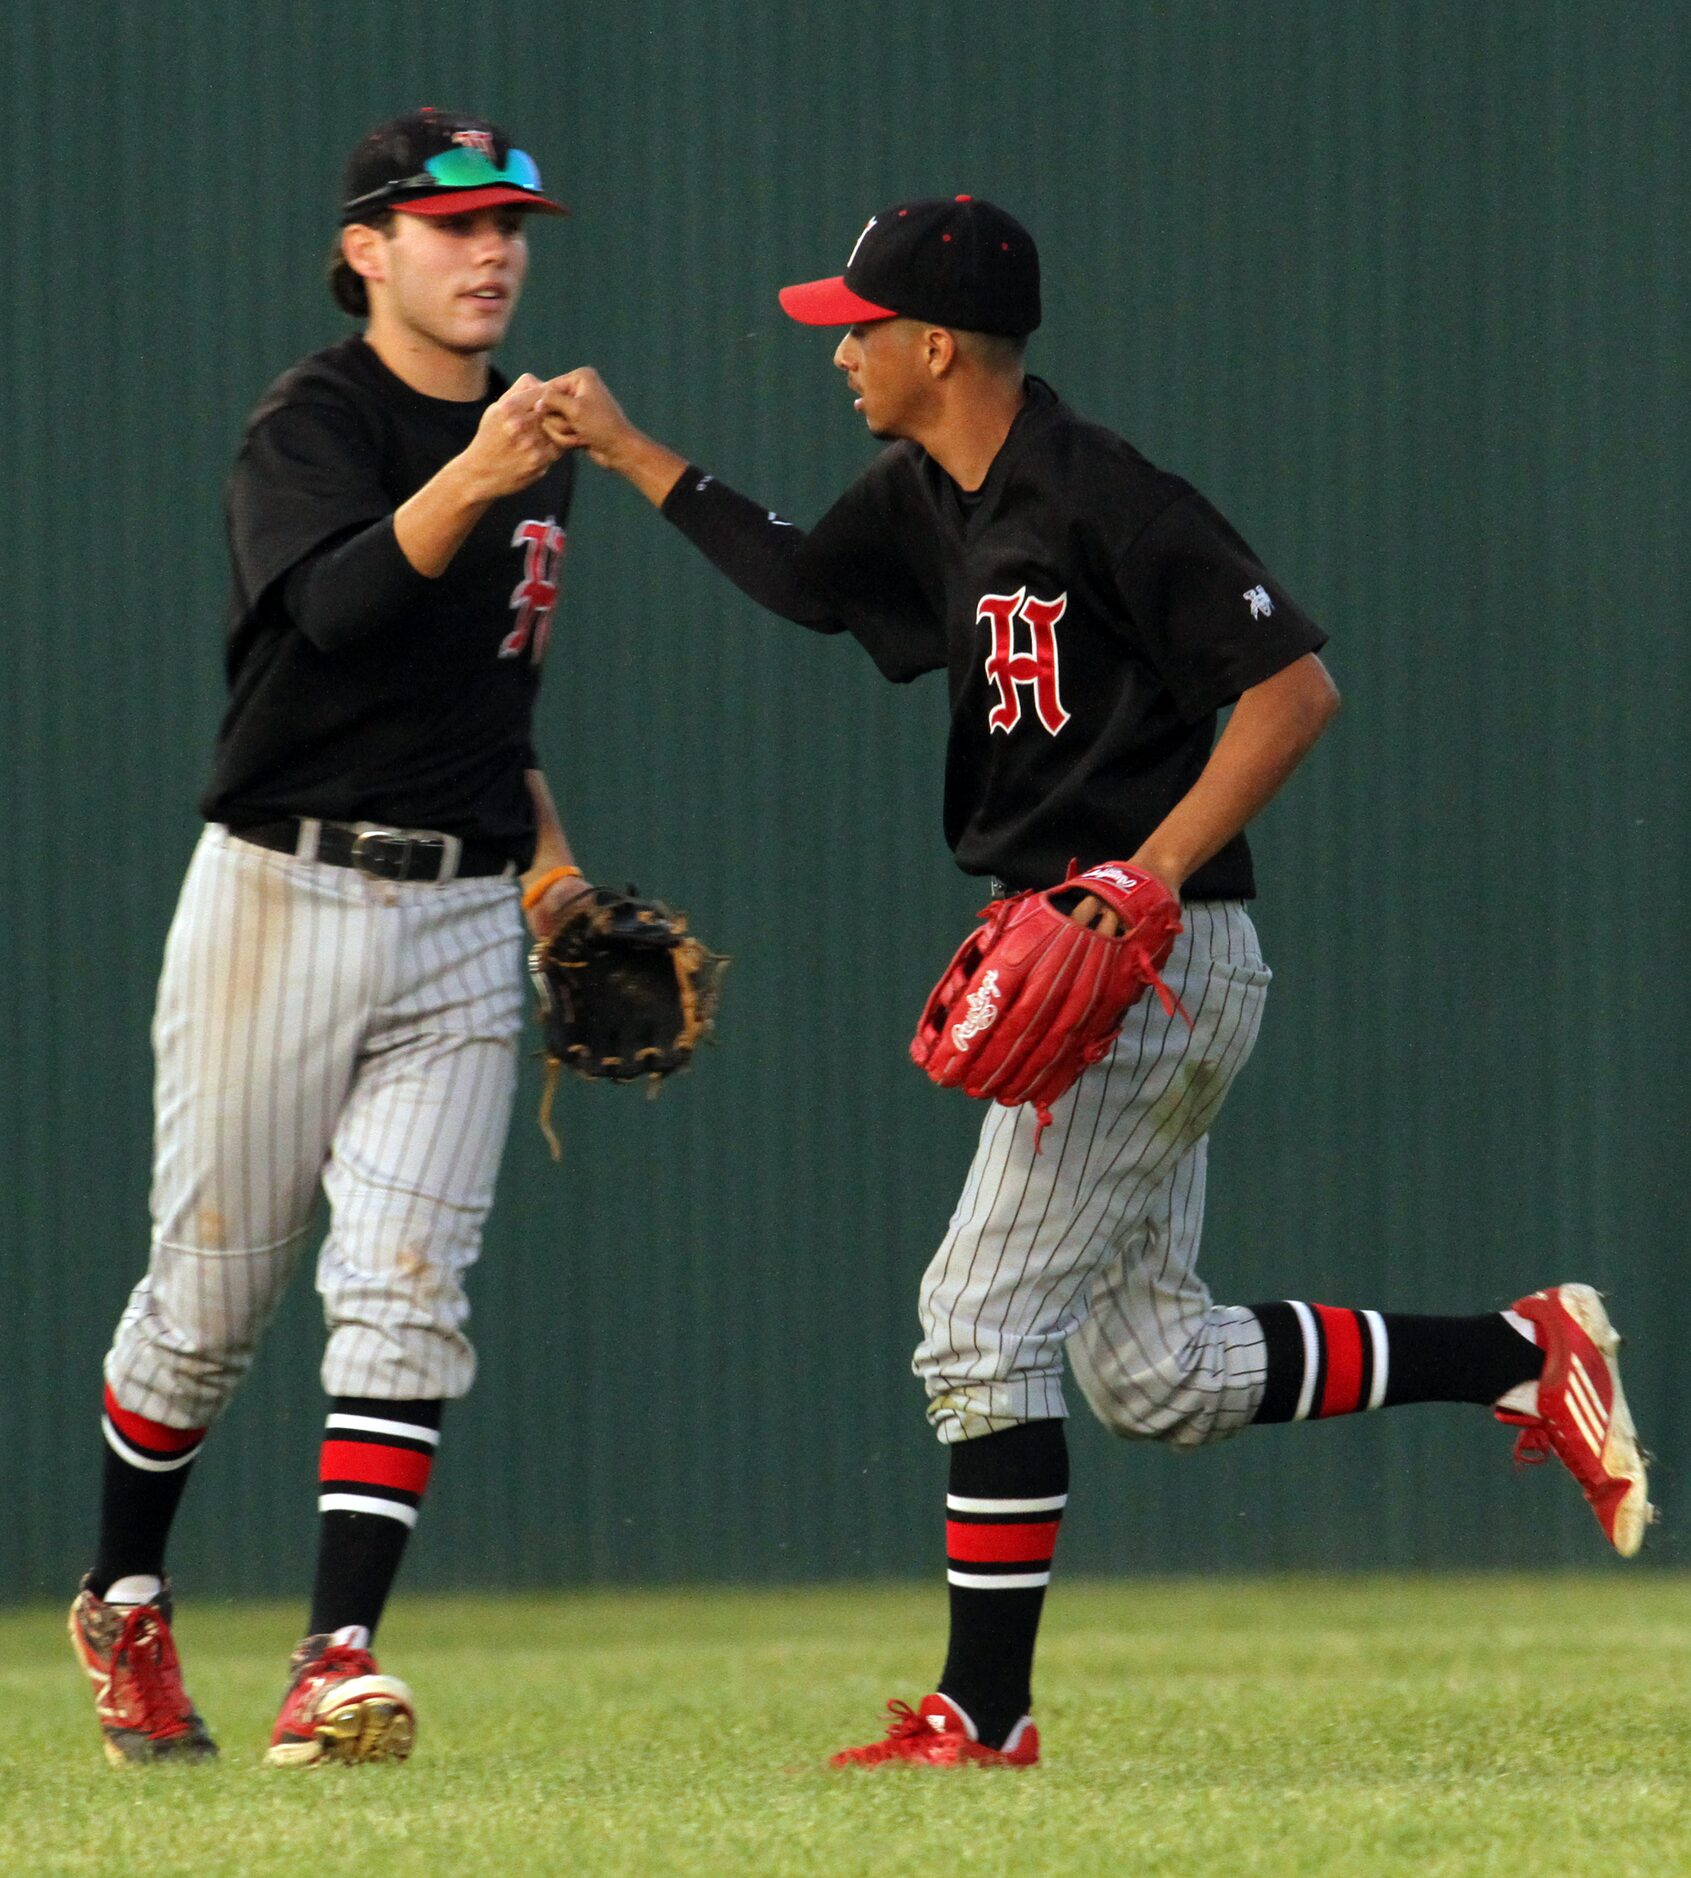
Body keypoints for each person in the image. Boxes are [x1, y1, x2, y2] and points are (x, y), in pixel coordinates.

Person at [538, 195, 1652, 1768]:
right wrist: (627, 447)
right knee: (1155, 1371)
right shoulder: (927, 491)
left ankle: (983, 1715)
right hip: (1090, 949)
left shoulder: (1103, 494)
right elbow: (808, 584)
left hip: (1152, 955)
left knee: (973, 1323)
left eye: (857, 328)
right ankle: (1524, 1354)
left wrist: (1149, 874)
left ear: (937, 343)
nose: (838, 351)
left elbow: (1292, 689)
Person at [70, 108, 587, 1768]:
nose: (493, 248)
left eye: (510, 222)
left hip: (455, 912)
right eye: (451, 225)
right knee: (209, 1301)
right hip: (279, 894)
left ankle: (334, 1657)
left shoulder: (534, 440)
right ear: (368, 248)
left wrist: (554, 875)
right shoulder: (314, 419)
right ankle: (128, 1600)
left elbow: (485, 698)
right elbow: (341, 617)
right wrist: (481, 470)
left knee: (408, 1288)